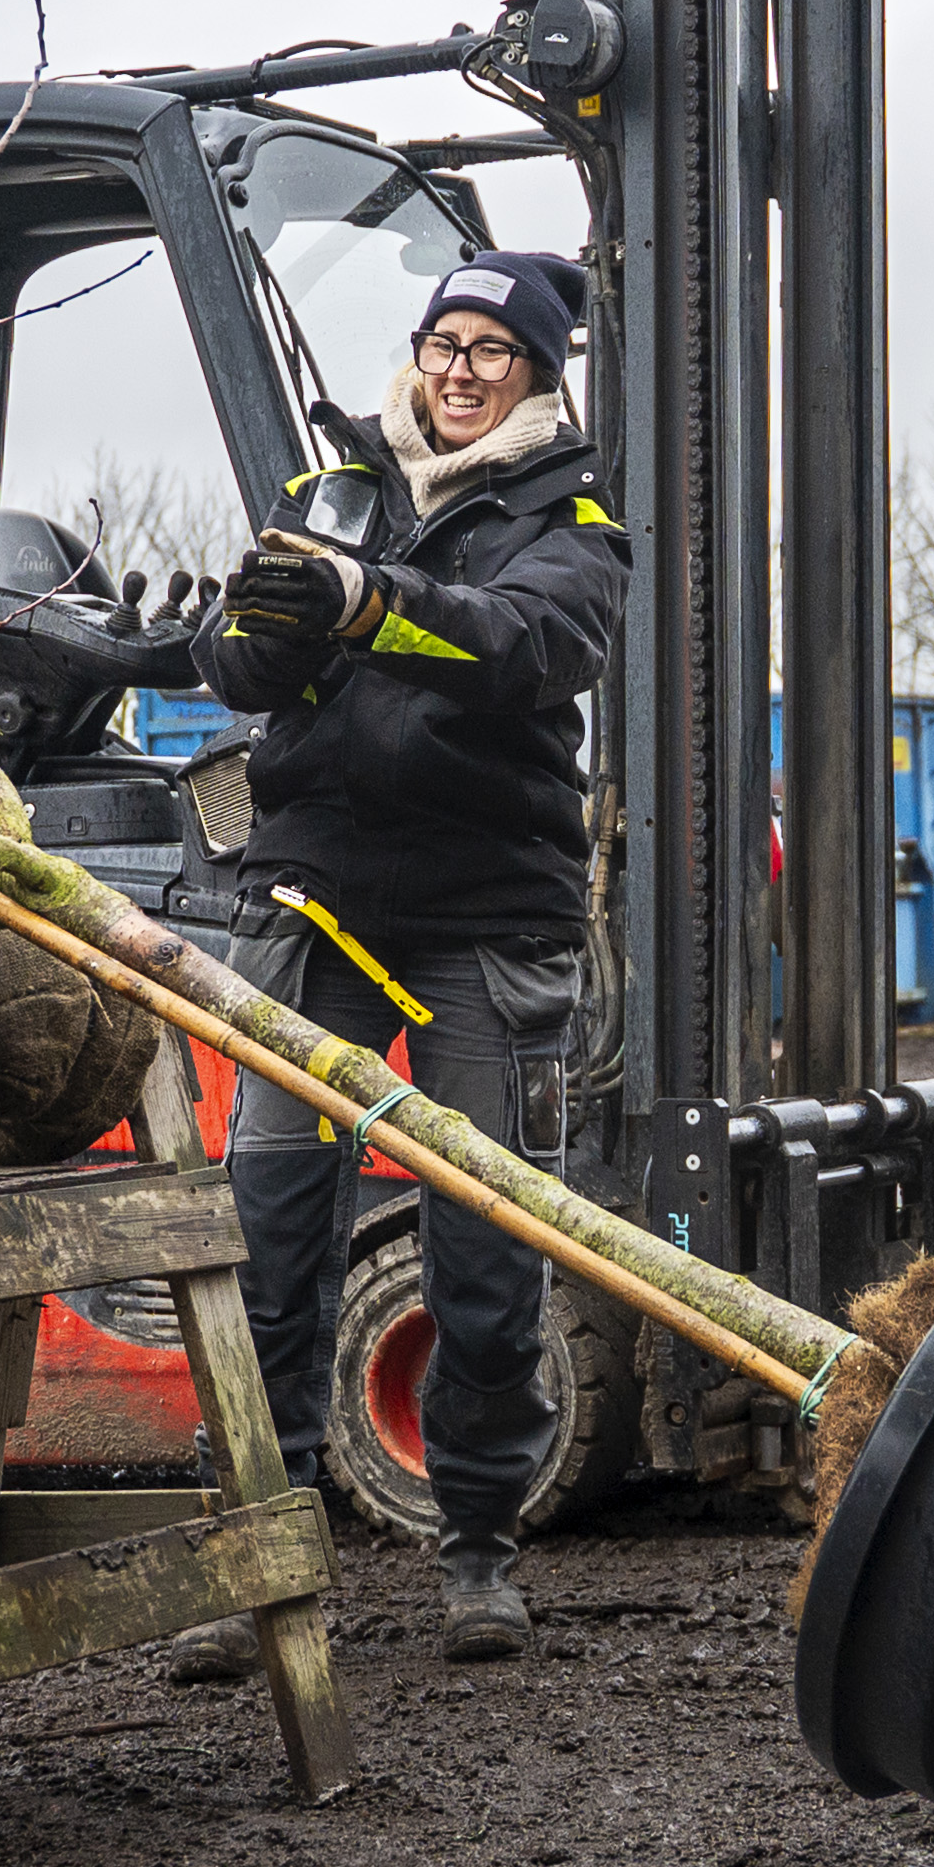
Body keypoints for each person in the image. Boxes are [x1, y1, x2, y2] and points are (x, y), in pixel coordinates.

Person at [182, 250, 628, 1665]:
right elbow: (237, 663)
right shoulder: (330, 490)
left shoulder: (574, 517)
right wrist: (253, 636)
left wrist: (369, 603)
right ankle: (259, 1554)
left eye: (494, 349)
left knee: (485, 1242)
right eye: (446, 341)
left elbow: (526, 644)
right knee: (266, 1233)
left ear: (537, 372)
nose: (461, 370)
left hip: (485, 915)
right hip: (314, 901)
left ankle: (479, 1549)